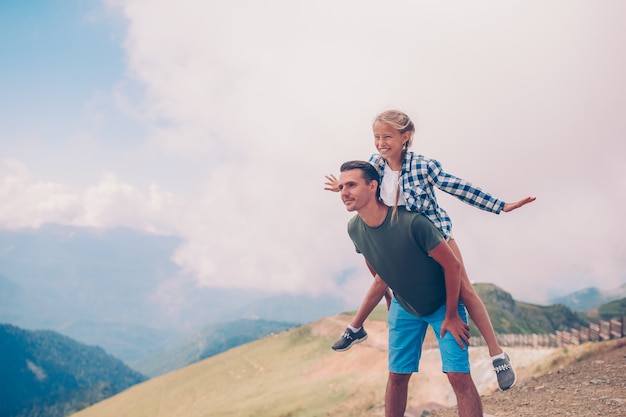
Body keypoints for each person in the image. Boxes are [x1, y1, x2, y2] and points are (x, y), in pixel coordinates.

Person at [325, 109, 535, 391]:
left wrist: (500, 206)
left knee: (465, 289)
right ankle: (355, 328)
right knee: (383, 277)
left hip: (433, 234)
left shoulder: (424, 166)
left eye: (387, 136)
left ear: (405, 137)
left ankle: (497, 354)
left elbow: (458, 187)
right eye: (376, 136)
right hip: (397, 238)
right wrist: (341, 187)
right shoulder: (376, 164)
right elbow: (361, 183)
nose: (381, 142)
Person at [337, 160, 483, 417]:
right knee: (397, 377)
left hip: (443, 304)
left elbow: (452, 266)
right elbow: (375, 264)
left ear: (373, 186)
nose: (344, 192)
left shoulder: (412, 223)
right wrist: (390, 299)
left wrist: (451, 315)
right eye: (340, 187)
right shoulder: (354, 229)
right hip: (405, 307)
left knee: (458, 377)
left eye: (351, 185)